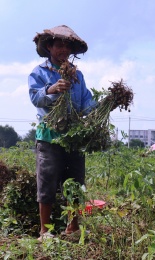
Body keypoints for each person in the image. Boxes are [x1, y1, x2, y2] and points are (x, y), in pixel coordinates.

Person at [28, 25, 96, 242]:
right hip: (49, 136)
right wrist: (51, 89)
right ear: (49, 47)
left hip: (74, 137)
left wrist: (101, 108)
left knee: (75, 182)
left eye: (67, 46)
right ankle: (44, 231)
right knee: (47, 181)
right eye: (59, 45)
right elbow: (35, 98)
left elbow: (86, 102)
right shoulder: (39, 73)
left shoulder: (79, 76)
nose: (63, 50)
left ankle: (72, 228)